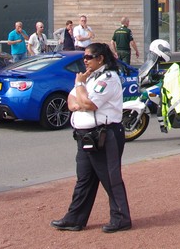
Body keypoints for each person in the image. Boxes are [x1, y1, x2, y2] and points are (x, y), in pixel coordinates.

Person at [51, 43, 132, 233]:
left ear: (100, 58)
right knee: (84, 179)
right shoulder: (90, 77)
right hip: (84, 135)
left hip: (104, 134)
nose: (85, 61)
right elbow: (71, 101)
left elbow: (89, 104)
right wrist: (80, 97)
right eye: (84, 57)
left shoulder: (108, 78)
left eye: (88, 57)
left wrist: (80, 87)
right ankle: (75, 218)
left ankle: (121, 218)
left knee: (110, 178)